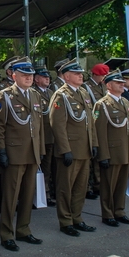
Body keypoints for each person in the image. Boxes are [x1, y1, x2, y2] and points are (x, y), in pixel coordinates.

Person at [0, 57, 45, 251]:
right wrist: (2, 151)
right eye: (24, 75)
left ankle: (23, 229)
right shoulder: (5, 95)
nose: (28, 78)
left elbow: (38, 126)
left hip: (32, 153)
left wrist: (41, 151)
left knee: (27, 194)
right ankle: (6, 234)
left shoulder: (36, 95)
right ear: (14, 75)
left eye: (30, 75)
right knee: (10, 197)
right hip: (14, 153)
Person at [49, 59, 98, 237]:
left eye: (81, 73)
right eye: (77, 73)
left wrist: (94, 144)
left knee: (80, 187)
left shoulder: (83, 93)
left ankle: (77, 218)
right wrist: (64, 149)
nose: (81, 75)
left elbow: (90, 122)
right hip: (69, 150)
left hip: (84, 148)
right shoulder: (61, 95)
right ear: (67, 76)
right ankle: (65, 221)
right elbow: (57, 124)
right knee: (65, 188)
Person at [93, 72, 129, 227]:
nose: (122, 84)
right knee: (108, 185)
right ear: (109, 85)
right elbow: (99, 131)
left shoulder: (125, 102)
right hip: (112, 152)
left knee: (121, 184)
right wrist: (103, 154)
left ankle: (119, 211)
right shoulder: (102, 104)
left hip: (125, 151)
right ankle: (107, 213)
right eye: (118, 82)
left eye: (122, 82)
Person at [83, 63, 108, 201]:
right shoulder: (87, 87)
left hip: (103, 123)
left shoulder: (103, 86)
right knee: (88, 159)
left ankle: (99, 184)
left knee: (100, 156)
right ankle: (87, 187)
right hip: (93, 122)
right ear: (95, 74)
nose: (103, 78)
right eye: (102, 75)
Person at [34, 65, 57, 207]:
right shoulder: (34, 93)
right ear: (36, 79)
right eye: (43, 76)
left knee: (49, 168)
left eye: (47, 76)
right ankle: (39, 195)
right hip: (40, 137)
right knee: (39, 168)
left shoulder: (51, 93)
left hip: (51, 136)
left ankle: (47, 193)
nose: (47, 78)